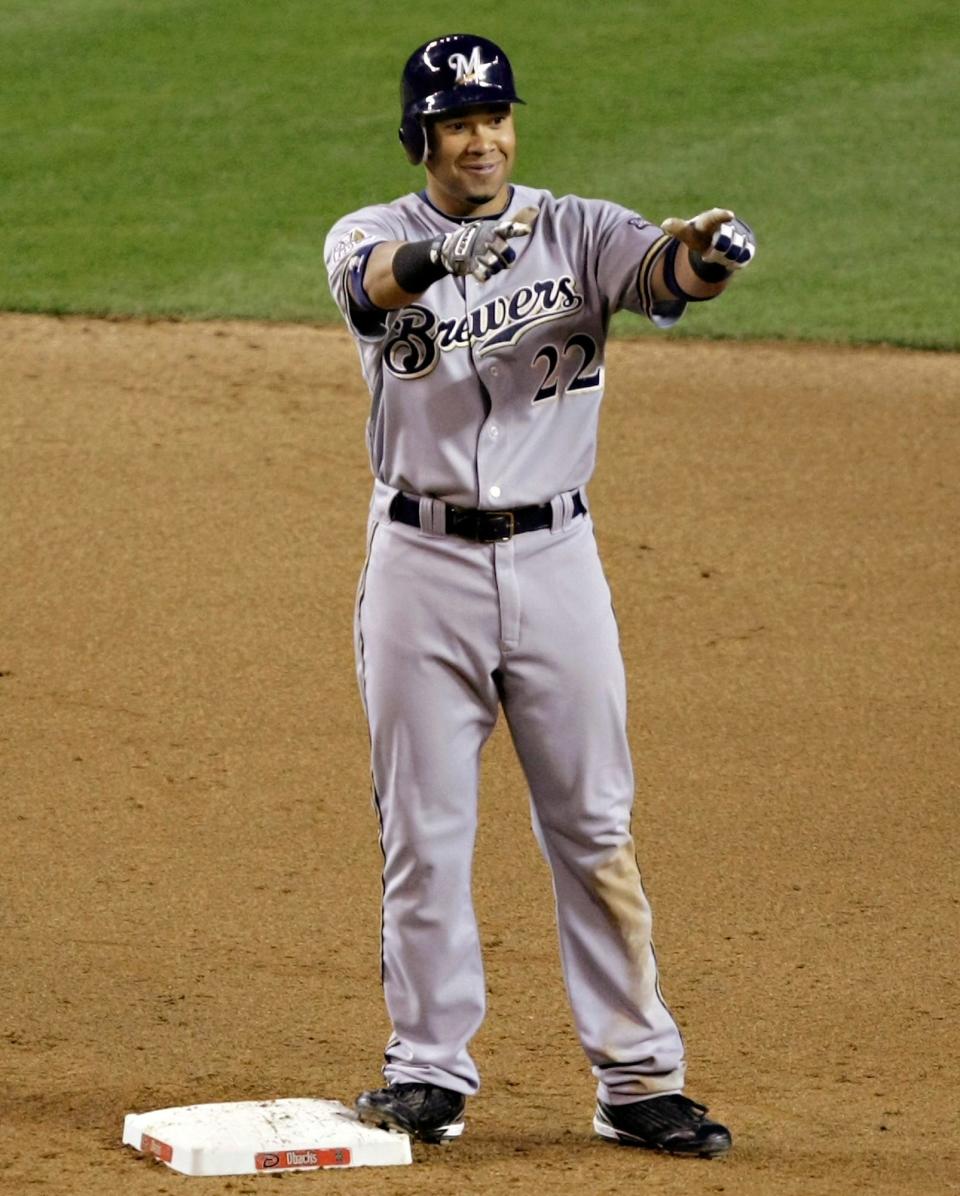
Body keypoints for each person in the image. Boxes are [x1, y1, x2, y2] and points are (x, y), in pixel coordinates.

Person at [323, 32, 755, 1158]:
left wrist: (710, 252)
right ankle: (426, 1070)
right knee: (424, 828)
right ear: (423, 136)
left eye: (497, 117)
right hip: (421, 565)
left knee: (595, 822)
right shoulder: (371, 233)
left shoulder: (579, 228)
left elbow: (665, 275)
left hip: (558, 559)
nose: (484, 139)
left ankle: (637, 1078)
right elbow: (372, 291)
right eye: (460, 122)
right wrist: (444, 261)